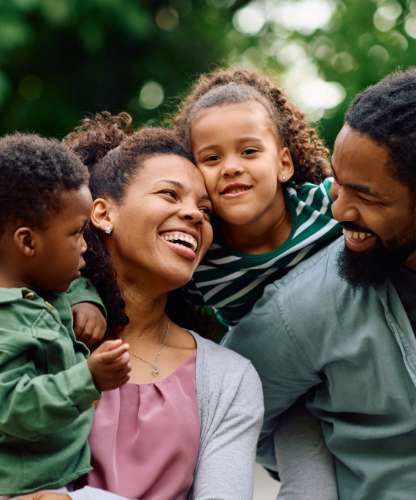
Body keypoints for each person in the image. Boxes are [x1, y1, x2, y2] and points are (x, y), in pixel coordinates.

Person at [26, 118, 264, 500]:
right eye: (170, 195)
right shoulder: (27, 334)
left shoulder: (228, 379)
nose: (195, 215)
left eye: (205, 210)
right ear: (103, 214)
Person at [224, 68, 416, 499]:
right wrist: (309, 458)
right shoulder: (305, 306)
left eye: (366, 196)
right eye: (339, 185)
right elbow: (225, 410)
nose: (338, 211)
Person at [173, 69, 340, 499]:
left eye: (249, 151)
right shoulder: (199, 260)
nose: (230, 167)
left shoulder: (327, 205)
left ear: (283, 162)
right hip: (291, 404)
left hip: (357, 362)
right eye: (210, 159)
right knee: (311, 489)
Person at [0, 134, 130, 498]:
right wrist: (87, 378)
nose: (86, 245)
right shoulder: (5, 321)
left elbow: (68, 281)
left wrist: (86, 300)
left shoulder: (41, 284)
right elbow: (11, 408)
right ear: (27, 242)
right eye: (75, 234)